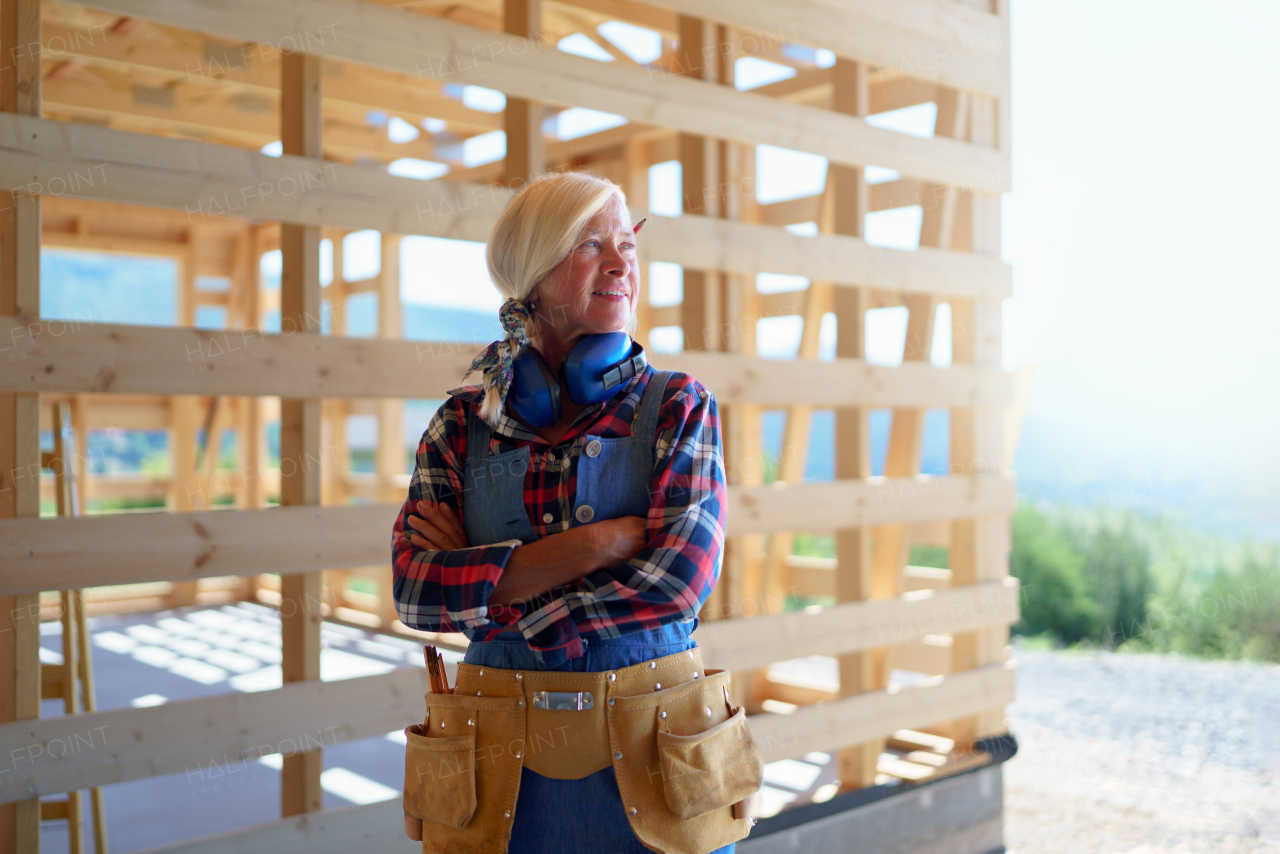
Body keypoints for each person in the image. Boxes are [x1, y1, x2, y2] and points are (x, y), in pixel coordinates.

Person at [391, 170, 749, 854]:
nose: (621, 264)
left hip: (660, 761)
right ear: (532, 274)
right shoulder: (460, 424)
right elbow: (414, 594)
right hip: (497, 778)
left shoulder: (679, 406)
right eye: (591, 245)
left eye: (627, 244)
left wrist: (486, 588)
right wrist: (600, 545)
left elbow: (678, 585)